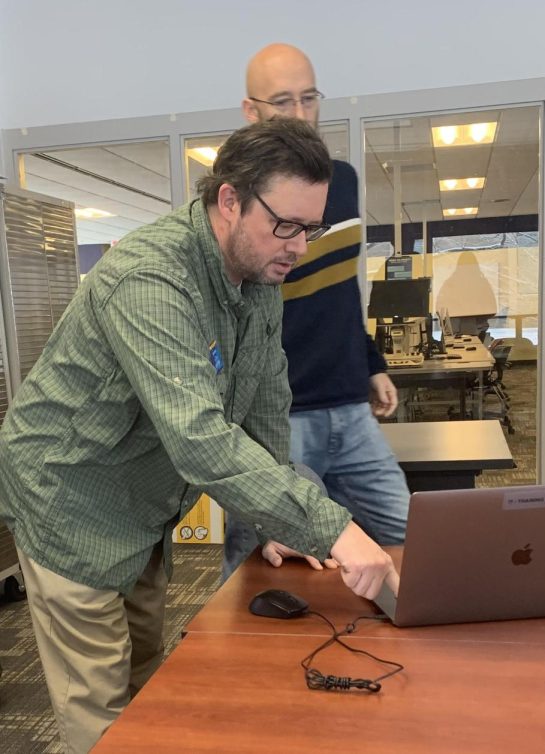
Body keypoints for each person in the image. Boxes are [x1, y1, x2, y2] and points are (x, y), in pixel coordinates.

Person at [0, 118, 397, 754]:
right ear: (230, 199)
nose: (299, 246)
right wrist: (333, 529)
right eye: (285, 225)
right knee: (102, 714)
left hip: (143, 502)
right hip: (68, 502)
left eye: (312, 228)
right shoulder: (151, 279)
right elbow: (202, 440)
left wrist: (278, 525)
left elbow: (268, 406)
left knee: (149, 681)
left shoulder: (258, 274)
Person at [223, 43, 410, 579]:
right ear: (251, 111)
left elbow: (340, 290)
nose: (301, 115)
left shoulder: (342, 182)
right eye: (284, 102)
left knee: (404, 537)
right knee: (263, 563)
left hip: (350, 407)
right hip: (276, 416)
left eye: (309, 98)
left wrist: (371, 361)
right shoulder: (235, 201)